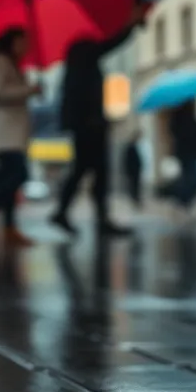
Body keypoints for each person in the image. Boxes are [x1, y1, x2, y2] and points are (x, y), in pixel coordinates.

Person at [50, 22, 141, 238]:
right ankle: (87, 216)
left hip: (87, 124)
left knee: (88, 171)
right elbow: (109, 44)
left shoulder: (77, 60)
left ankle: (73, 213)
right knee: (94, 171)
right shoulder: (83, 53)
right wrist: (130, 24)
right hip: (89, 126)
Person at [0, 29, 41, 246]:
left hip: (10, 131)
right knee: (19, 174)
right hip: (2, 132)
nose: (27, 47)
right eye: (23, 41)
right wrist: (28, 90)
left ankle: (9, 227)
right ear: (12, 41)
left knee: (11, 180)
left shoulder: (10, 64)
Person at [169, 99, 196, 213]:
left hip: (189, 154)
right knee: (193, 178)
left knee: (192, 178)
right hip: (189, 154)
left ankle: (184, 201)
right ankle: (183, 200)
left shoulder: (183, 120)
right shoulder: (184, 120)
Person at [122, 130, 144, 210]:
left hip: (136, 171)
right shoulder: (130, 147)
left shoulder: (137, 146)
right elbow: (127, 161)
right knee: (134, 187)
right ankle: (135, 201)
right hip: (132, 172)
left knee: (137, 187)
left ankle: (137, 201)